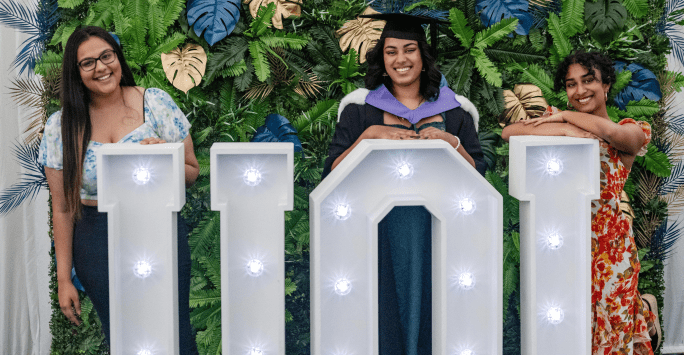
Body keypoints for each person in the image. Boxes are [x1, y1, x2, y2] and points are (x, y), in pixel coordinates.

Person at [323, 13, 486, 354]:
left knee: (438, 311)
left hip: (440, 232)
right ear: (382, 60)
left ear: (423, 57)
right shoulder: (359, 111)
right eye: (391, 51)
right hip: (375, 234)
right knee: (381, 312)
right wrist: (367, 137)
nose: (401, 60)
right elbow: (332, 174)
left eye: (409, 50)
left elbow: (479, 178)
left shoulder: (456, 112)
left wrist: (450, 142)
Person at [39, 26, 199, 353]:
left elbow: (192, 171)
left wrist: (164, 161)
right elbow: (63, 207)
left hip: (158, 231)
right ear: (76, 72)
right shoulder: (60, 126)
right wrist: (64, 279)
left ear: (118, 58)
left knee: (175, 330)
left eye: (106, 56)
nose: (101, 67)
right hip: (96, 239)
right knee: (125, 336)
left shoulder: (154, 103)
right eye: (88, 63)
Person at [502, 51, 659, 355]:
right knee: (572, 332)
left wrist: (563, 117)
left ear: (607, 85)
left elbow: (614, 133)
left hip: (612, 250)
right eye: (571, 84)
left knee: (612, 333)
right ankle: (644, 310)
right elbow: (510, 133)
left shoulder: (630, 130)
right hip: (565, 245)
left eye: (589, 81)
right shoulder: (562, 124)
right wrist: (565, 129)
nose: (580, 90)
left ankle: (641, 312)